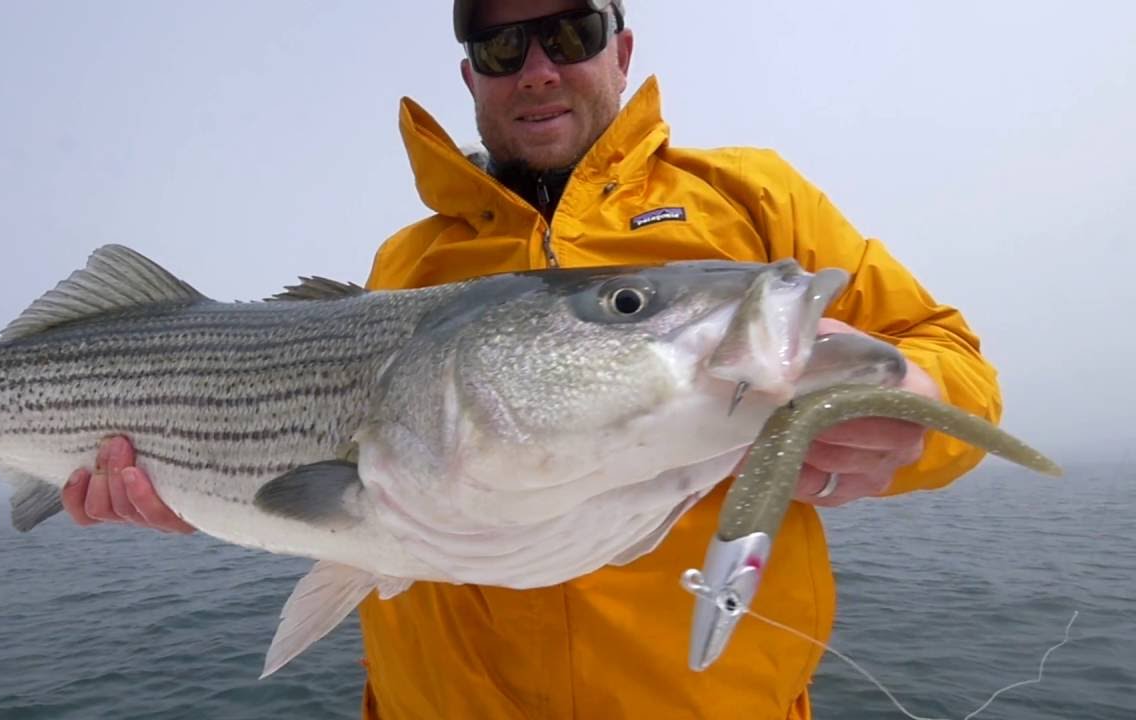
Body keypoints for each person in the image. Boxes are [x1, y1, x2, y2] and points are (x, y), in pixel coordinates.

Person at [61, 1, 1001, 717]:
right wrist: (199, 486)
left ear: (622, 50)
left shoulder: (754, 206)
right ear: (471, 78)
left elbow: (948, 356)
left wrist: (917, 409)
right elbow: (351, 489)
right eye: (503, 48)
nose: (539, 69)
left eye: (571, 31)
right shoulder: (410, 262)